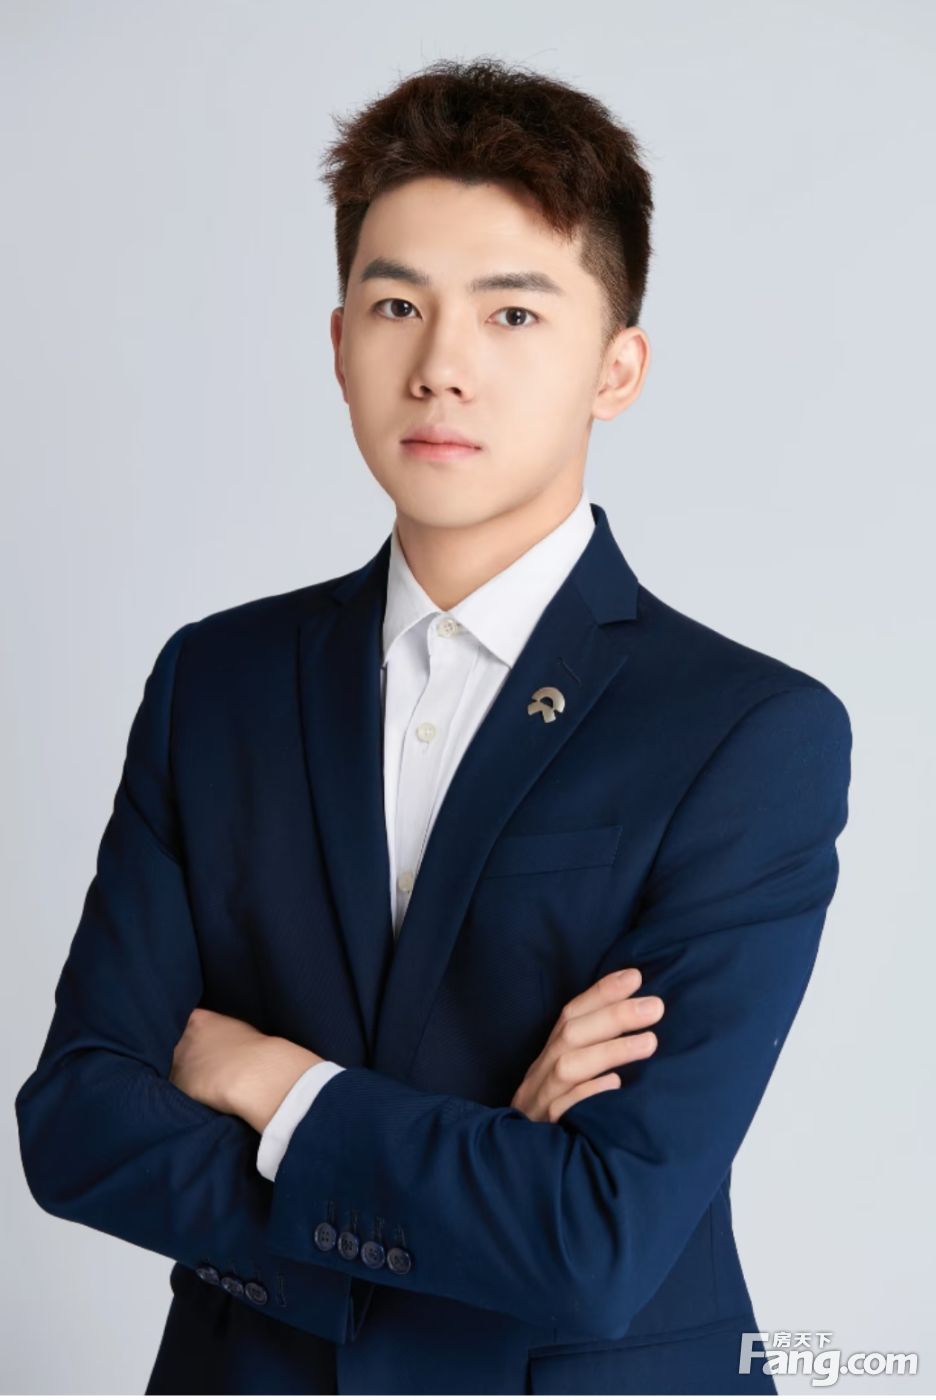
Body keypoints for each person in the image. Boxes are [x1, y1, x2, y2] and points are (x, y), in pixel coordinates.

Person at [14, 57, 851, 1396]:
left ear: (617, 368)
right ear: (339, 343)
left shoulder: (748, 734)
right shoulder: (215, 683)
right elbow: (78, 1125)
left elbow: (596, 1239)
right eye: (397, 305)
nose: (441, 367)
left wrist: (280, 1086)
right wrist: (475, 1179)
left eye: (513, 314)